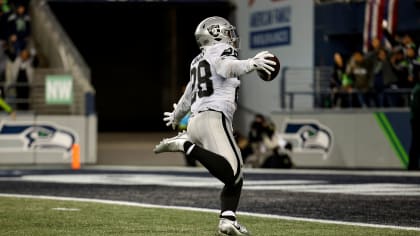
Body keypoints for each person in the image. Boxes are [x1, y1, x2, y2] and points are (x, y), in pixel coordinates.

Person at [153, 16, 276, 236]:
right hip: (213, 117)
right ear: (216, 33)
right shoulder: (222, 52)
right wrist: (251, 63)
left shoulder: (197, 60)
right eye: (227, 32)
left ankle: (227, 219)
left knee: (237, 174)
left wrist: (176, 115)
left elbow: (189, 94)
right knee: (233, 171)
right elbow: (225, 67)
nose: (231, 37)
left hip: (196, 121)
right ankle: (185, 146)